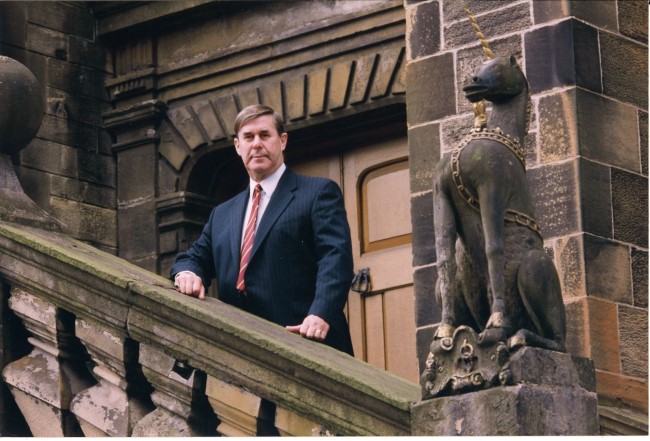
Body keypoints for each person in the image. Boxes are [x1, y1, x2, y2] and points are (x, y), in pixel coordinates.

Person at [171, 104, 354, 355]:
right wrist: (187, 273)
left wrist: (321, 314)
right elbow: (193, 258)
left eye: (264, 135)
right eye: (248, 137)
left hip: (305, 339)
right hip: (241, 348)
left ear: (282, 140)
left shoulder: (317, 193)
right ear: (238, 146)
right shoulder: (222, 214)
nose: (256, 144)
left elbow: (335, 258)